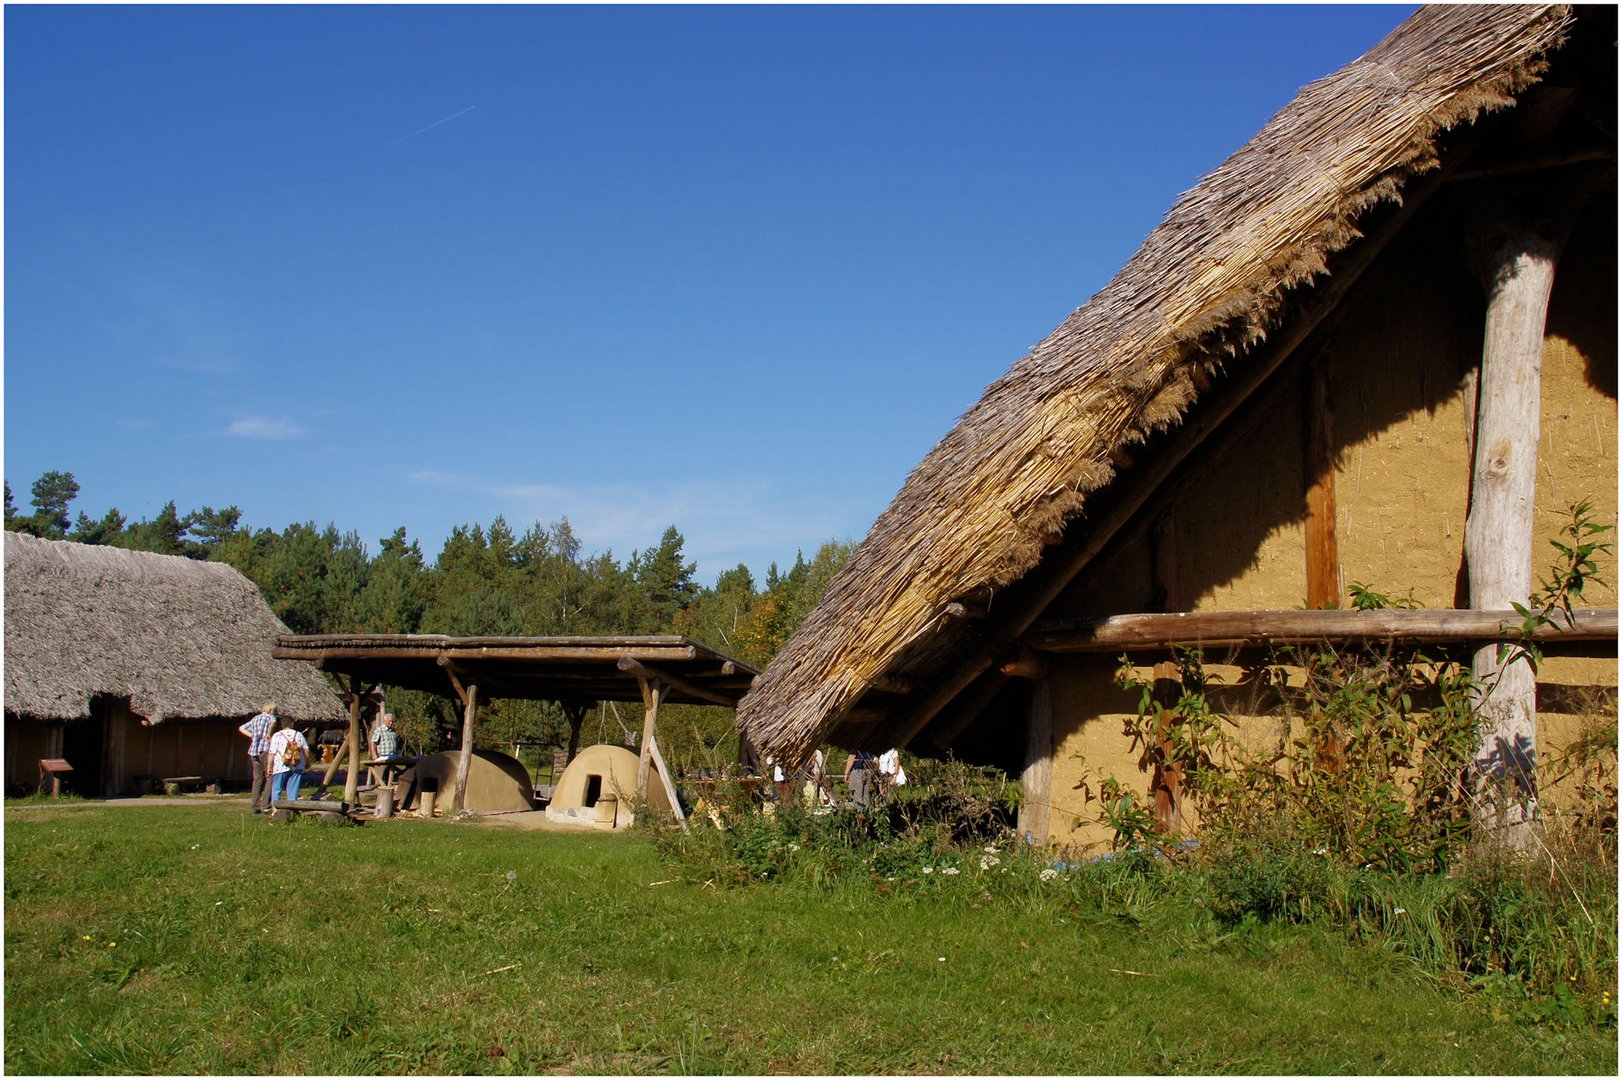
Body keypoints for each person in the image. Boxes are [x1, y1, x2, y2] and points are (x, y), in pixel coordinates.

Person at [237, 701, 277, 813]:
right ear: (271, 709)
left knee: (258, 779)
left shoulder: (255, 718)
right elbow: (273, 722)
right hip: (265, 749)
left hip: (253, 750)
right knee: (270, 776)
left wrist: (253, 736)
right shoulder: (270, 717)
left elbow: (241, 728)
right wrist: (269, 733)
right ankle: (265, 805)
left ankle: (255, 806)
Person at [266, 716, 311, 807]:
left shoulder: (277, 735)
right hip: (297, 765)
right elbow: (306, 750)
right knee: (293, 791)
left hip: (280, 766)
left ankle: (276, 809)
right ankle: (291, 809)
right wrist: (307, 762)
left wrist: (269, 767)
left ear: (282, 725)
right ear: (292, 724)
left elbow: (272, 753)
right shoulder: (298, 735)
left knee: (277, 789)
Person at [368, 713, 401, 788]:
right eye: (389, 721)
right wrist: (374, 755)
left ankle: (390, 789)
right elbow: (373, 742)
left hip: (392, 757)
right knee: (380, 777)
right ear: (384, 721)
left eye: (392, 721)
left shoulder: (393, 731)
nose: (391, 723)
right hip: (383, 757)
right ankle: (379, 790)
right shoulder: (380, 730)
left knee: (391, 775)